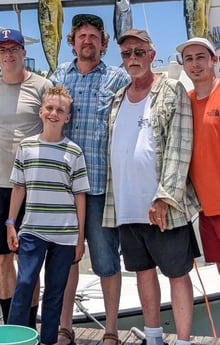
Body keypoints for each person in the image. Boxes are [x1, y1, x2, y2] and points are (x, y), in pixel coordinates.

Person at [102, 29, 200, 345]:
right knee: (142, 273)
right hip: (127, 206)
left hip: (163, 207)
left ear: (151, 55)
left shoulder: (171, 90)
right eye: (127, 54)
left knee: (177, 274)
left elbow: (180, 147)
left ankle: (183, 340)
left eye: (139, 52)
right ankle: (155, 337)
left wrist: (164, 197)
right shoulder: (117, 98)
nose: (133, 59)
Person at [50, 14, 130, 345]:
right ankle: (65, 327)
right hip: (63, 189)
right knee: (66, 260)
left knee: (107, 262)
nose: (87, 40)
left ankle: (111, 330)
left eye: (93, 36)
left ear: (103, 43)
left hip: (100, 188)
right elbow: (37, 103)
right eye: (81, 35)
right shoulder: (57, 76)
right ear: (72, 41)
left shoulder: (118, 77)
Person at [0, 29, 53, 326]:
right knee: (2, 259)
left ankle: (29, 325)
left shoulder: (43, 86)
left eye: (14, 48)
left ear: (23, 52)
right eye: (2, 50)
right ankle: (10, 326)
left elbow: (55, 131)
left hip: (32, 188)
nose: (8, 55)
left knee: (29, 263)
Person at [6, 85, 90, 345]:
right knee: (25, 284)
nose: (54, 113)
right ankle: (14, 339)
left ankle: (49, 340)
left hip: (65, 235)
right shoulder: (26, 147)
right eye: (50, 108)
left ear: (68, 117)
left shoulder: (74, 152)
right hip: (32, 229)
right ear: (41, 111)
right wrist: (10, 222)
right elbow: (19, 187)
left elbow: (80, 196)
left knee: (55, 291)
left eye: (60, 110)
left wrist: (80, 238)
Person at [176, 37, 220, 274]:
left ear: (214, 60)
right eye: (189, 59)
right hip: (205, 208)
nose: (195, 64)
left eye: (201, 57)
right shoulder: (185, 102)